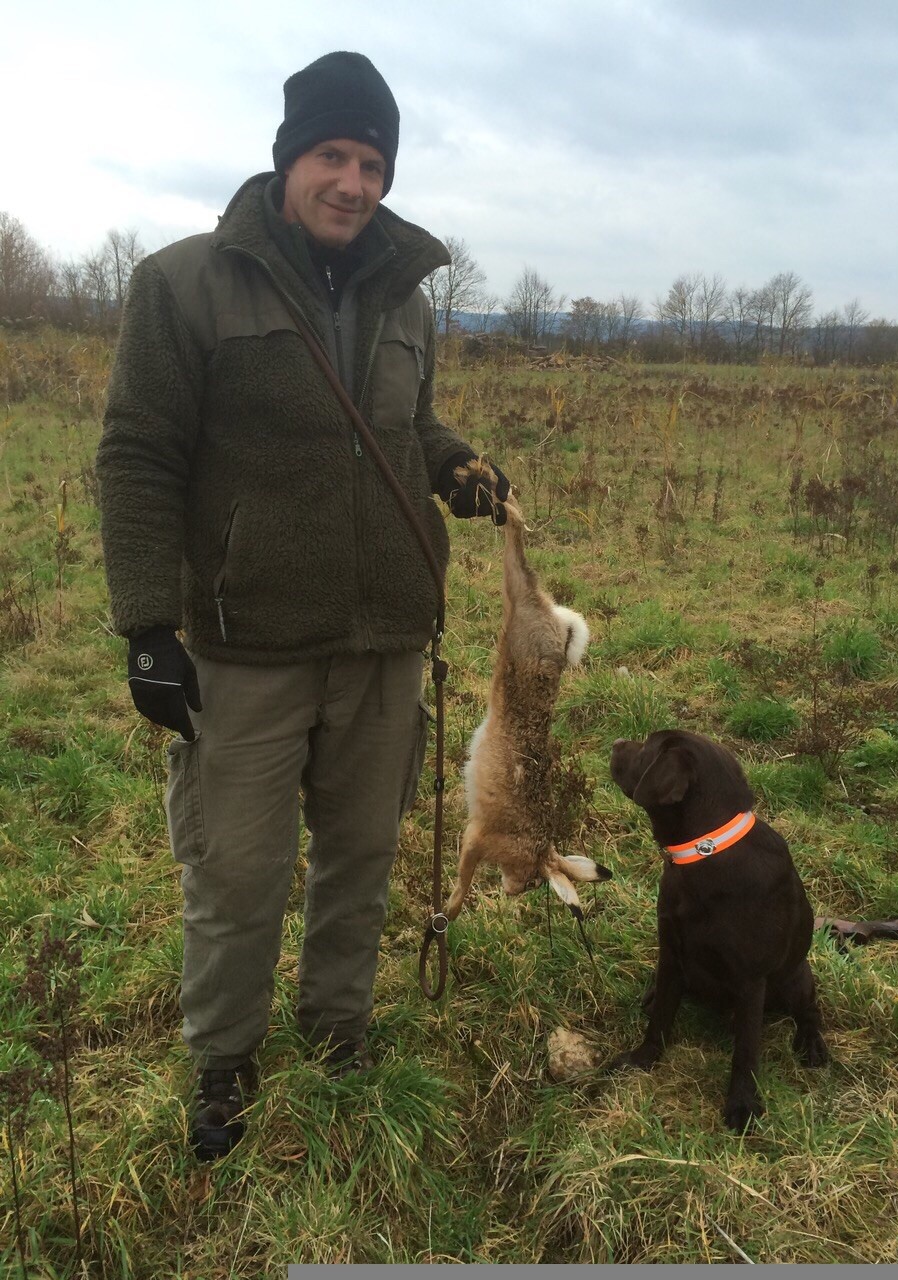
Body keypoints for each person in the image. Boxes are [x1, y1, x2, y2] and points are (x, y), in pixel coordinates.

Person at [95, 50, 509, 1161]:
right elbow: (138, 456)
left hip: (382, 640)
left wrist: (455, 461)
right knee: (237, 871)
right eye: (334, 154)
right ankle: (223, 1061)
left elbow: (406, 423)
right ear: (289, 160)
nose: (355, 182)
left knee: (362, 855)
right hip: (246, 646)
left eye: (373, 162)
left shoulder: (406, 297)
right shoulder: (182, 285)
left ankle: (339, 1033)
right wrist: (146, 625)